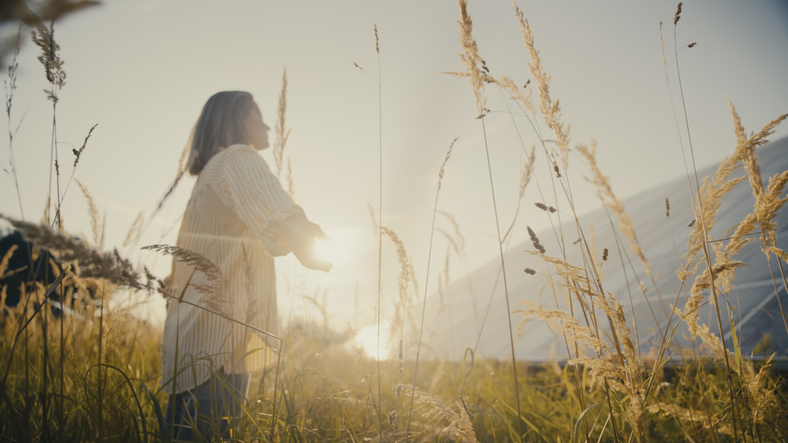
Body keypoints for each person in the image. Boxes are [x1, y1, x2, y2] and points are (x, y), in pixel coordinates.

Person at [161, 91, 331, 441]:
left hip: (188, 345)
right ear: (239, 121)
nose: (267, 124)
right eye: (258, 115)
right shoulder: (238, 158)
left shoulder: (208, 175)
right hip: (221, 342)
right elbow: (272, 207)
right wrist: (304, 239)